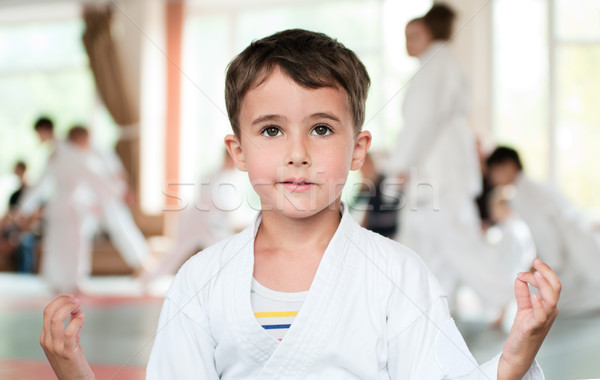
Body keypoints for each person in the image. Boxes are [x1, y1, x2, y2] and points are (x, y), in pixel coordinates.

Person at [41, 29, 560, 379]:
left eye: (321, 128)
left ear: (358, 150)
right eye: (271, 130)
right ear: (238, 152)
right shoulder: (200, 280)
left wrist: (516, 354)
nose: (297, 153)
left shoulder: (399, 274)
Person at [385, 4, 511, 309]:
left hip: (439, 175)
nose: (407, 44)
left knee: (457, 243)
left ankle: (510, 299)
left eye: (413, 35)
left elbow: (421, 122)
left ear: (428, 32)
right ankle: (432, 309)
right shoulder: (443, 62)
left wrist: (399, 167)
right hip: (442, 172)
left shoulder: (435, 65)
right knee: (432, 248)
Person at [486, 146, 600, 314]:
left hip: (578, 256)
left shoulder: (525, 195)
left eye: (493, 171)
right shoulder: (533, 187)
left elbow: (545, 232)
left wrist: (547, 264)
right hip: (582, 249)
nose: (491, 178)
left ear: (508, 165)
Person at [18, 123, 121, 292]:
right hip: (71, 205)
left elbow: (41, 183)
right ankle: (72, 281)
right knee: (74, 245)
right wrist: (117, 191)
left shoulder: (58, 154)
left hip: (60, 204)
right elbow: (94, 178)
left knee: (58, 244)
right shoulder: (71, 155)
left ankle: (58, 280)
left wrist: (24, 207)